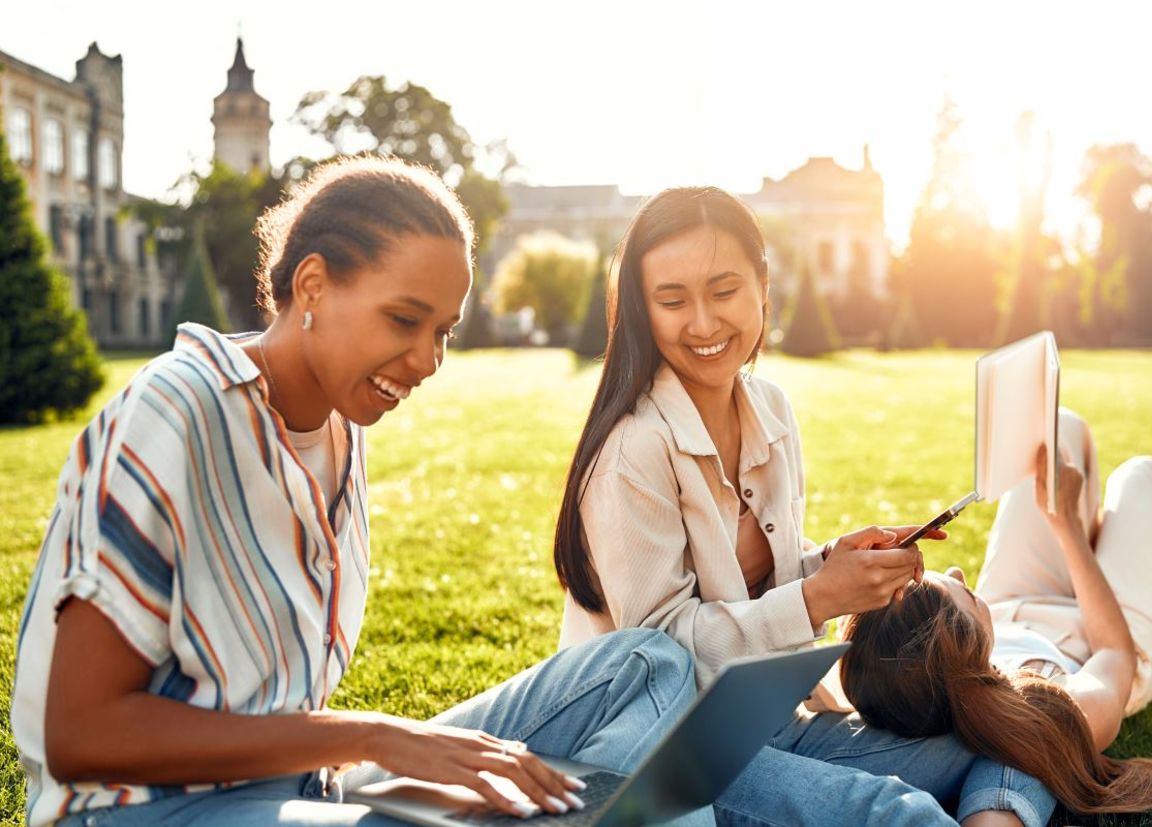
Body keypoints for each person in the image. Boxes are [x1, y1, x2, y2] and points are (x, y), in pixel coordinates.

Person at [12, 156, 952, 827]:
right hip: (153, 812)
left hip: (319, 779)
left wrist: (380, 752)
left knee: (646, 669)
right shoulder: (177, 410)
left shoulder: (337, 426)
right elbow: (80, 731)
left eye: (444, 330)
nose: (425, 362)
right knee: (622, 771)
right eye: (404, 321)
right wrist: (379, 738)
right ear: (311, 284)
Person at [553, 185, 1057, 827]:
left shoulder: (771, 411)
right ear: (641, 311)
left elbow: (765, 580)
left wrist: (831, 564)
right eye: (672, 300)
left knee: (1009, 733)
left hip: (763, 724)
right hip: (663, 754)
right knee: (890, 810)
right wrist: (820, 597)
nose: (703, 323)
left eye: (724, 290)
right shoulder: (633, 451)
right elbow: (662, 657)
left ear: (763, 285)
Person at [839, 409, 1152, 816]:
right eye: (958, 588)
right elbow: (1114, 653)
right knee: (1141, 478)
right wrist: (1066, 527)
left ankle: (1099, 540)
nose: (960, 571)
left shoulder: (894, 673)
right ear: (962, 646)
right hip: (1101, 634)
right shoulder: (1046, 706)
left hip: (1010, 609)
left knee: (1053, 435)